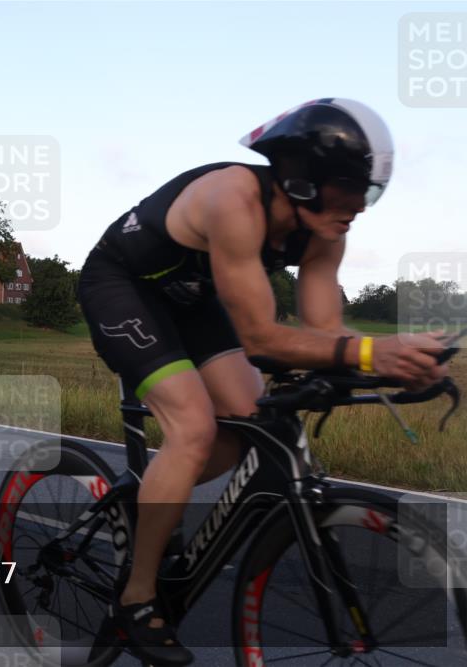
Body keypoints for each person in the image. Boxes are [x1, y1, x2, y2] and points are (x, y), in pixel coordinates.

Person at [77, 98, 448, 666]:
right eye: (350, 191)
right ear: (300, 181)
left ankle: (149, 503)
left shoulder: (326, 229)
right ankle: (135, 598)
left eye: (369, 194)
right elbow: (261, 337)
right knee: (195, 430)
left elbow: (324, 332)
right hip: (125, 285)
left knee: (246, 430)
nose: (359, 209)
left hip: (194, 299)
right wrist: (376, 351)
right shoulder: (234, 199)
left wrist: (400, 362)